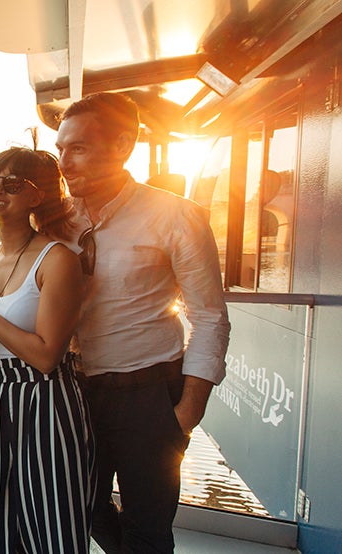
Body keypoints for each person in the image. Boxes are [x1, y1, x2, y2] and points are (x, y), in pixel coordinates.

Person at [54, 92, 230, 553]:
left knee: (149, 527)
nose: (64, 164)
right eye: (60, 150)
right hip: (74, 394)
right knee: (80, 508)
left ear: (122, 145)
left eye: (78, 148)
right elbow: (13, 280)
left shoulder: (175, 216)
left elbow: (209, 317)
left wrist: (188, 410)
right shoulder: (57, 223)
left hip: (149, 393)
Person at [0, 146, 95, 554]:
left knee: (51, 527)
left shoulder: (58, 260)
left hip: (47, 402)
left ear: (37, 195)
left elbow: (47, 356)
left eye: (12, 184)